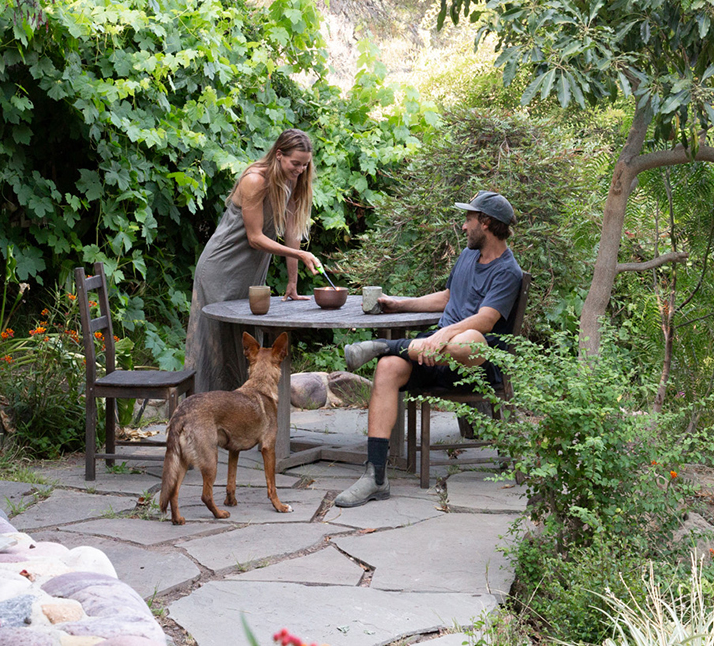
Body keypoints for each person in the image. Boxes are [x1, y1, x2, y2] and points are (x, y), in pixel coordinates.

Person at [334, 190, 524, 507]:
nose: (464, 226)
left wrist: (444, 334)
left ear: (486, 223)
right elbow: (449, 297)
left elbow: (486, 320)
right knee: (388, 368)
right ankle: (375, 476)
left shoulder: (508, 271)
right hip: (432, 351)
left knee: (467, 340)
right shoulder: (468, 256)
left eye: (469, 219)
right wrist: (400, 304)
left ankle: (388, 345)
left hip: (472, 367)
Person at [184, 129, 321, 392]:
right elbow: (255, 238)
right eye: (296, 163)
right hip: (220, 269)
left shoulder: (292, 180)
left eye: (305, 164)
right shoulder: (255, 180)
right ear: (279, 155)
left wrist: (292, 282)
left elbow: (292, 232)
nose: (301, 169)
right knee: (218, 344)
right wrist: (300, 255)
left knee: (246, 342)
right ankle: (205, 411)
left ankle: (242, 414)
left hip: (250, 274)